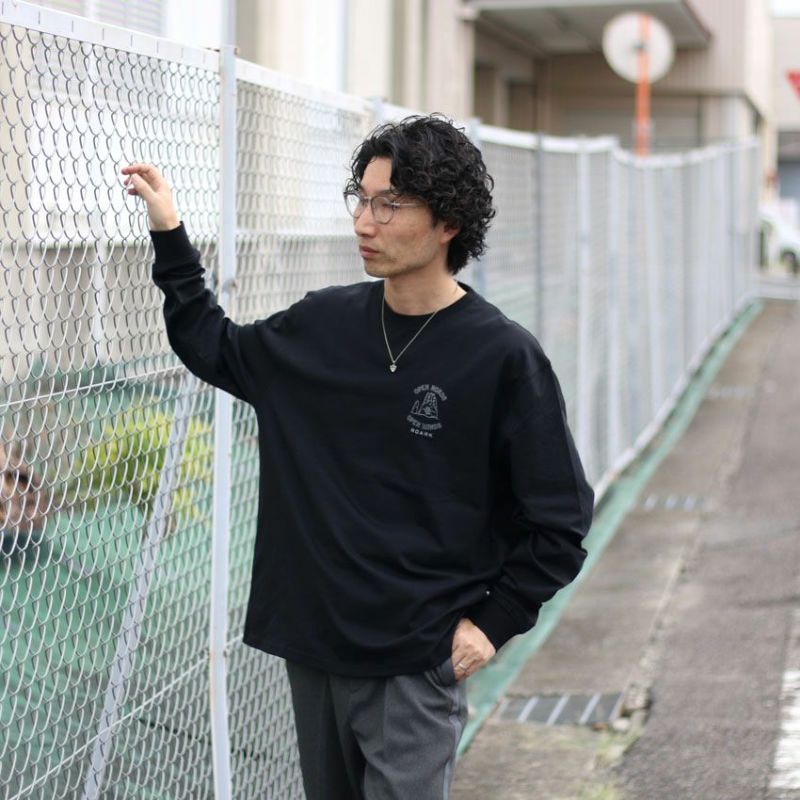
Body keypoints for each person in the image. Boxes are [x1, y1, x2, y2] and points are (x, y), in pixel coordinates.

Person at [121, 114, 594, 800]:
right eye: (362, 200)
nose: (364, 223)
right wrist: (169, 230)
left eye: (389, 205)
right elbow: (211, 344)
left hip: (416, 660)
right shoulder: (322, 324)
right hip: (313, 647)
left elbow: (560, 520)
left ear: (448, 223)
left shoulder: (501, 356)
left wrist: (494, 625)